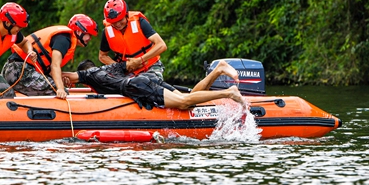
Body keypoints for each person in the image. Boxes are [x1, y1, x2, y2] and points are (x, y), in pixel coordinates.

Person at [63, 59, 249, 111]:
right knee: (191, 98)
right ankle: (217, 70)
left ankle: (229, 92)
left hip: (137, 87)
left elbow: (67, 75)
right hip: (145, 78)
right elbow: (133, 64)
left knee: (184, 102)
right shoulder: (111, 67)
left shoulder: (89, 74)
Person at [2, 14, 99, 99]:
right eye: (88, 35)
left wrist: (61, 80)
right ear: (78, 31)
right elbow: (55, 65)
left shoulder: (64, 38)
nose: (89, 38)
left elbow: (50, 71)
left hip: (13, 69)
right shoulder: (64, 40)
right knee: (61, 92)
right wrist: (60, 88)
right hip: (19, 71)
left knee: (57, 87)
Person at [99, 0, 167, 78]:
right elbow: (102, 56)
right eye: (114, 22)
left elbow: (162, 45)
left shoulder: (140, 22)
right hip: (128, 72)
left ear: (126, 15)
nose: (118, 24)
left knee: (146, 83)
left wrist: (140, 60)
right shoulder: (107, 31)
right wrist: (122, 67)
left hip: (150, 66)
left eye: (120, 20)